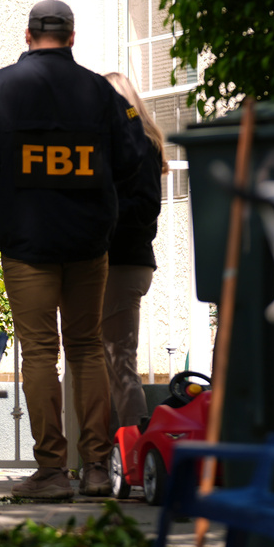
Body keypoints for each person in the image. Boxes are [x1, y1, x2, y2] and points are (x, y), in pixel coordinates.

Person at [0, 0, 150, 499]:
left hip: (28, 244)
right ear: (71, 37)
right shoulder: (100, 93)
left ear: (28, 34)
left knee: (39, 352)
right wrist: (102, 200)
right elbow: (133, 157)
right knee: (86, 348)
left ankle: (52, 472)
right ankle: (97, 469)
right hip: (88, 244)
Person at [101, 72, 166, 434]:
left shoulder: (136, 145)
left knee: (119, 359)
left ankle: (131, 448)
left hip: (121, 261)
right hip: (129, 261)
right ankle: (115, 446)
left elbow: (144, 208)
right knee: (110, 359)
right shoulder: (142, 143)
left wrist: (100, 215)